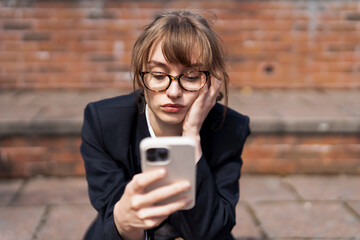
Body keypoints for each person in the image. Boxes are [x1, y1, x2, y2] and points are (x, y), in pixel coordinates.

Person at [81, 10, 250, 240]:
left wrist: (191, 137)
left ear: (212, 82)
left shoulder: (229, 128)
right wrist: (125, 220)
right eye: (159, 75)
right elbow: (112, 219)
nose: (173, 92)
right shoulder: (104, 123)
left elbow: (212, 230)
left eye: (191, 77)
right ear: (143, 77)